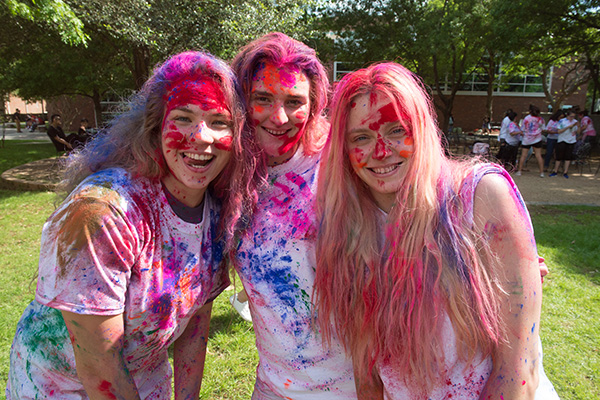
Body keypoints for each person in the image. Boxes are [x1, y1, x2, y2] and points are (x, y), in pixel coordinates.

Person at [7, 51, 260, 399]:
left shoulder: (218, 212)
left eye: (220, 122)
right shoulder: (101, 213)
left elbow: (196, 324)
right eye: (184, 118)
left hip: (146, 379)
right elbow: (99, 363)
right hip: (62, 388)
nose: (202, 136)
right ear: (155, 127)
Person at [314, 62, 559, 399]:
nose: (381, 152)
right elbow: (366, 371)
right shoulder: (349, 227)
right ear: (344, 148)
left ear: (422, 129)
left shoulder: (480, 196)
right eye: (362, 137)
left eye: (397, 131)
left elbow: (519, 368)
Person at [231, 32, 357, 398]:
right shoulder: (230, 174)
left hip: (351, 388)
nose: (279, 116)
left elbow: (423, 193)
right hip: (273, 386)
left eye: (295, 101)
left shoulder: (342, 165)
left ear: (315, 104)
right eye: (262, 99)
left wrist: (482, 253)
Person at [516, 104, 546, 177]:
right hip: (537, 138)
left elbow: (522, 128)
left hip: (527, 139)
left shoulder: (527, 118)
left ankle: (519, 171)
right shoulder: (541, 119)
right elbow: (544, 128)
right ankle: (541, 172)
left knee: (523, 155)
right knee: (538, 155)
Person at [550, 110, 579, 178]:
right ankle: (555, 171)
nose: (572, 118)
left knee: (568, 157)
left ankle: (565, 172)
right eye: (571, 116)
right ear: (567, 115)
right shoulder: (562, 121)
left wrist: (579, 126)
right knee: (559, 157)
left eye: (573, 116)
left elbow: (578, 132)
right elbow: (559, 131)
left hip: (571, 140)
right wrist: (568, 127)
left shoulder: (575, 122)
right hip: (562, 140)